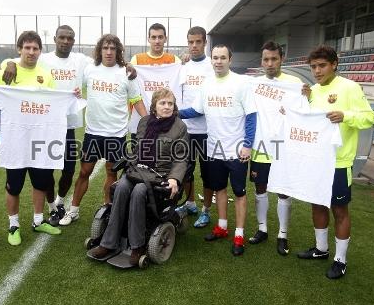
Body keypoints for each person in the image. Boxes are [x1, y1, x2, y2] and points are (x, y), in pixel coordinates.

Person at [1, 26, 136, 226]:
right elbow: (22, 60)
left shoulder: (83, 62)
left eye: (69, 38)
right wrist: (10, 62)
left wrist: (129, 65)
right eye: (62, 37)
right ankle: (51, 206)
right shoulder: (44, 58)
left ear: (73, 41)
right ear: (55, 38)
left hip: (70, 124)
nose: (65, 41)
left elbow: (110, 61)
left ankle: (62, 202)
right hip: (44, 124)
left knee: (69, 170)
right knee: (46, 169)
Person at [299, 45, 374, 279]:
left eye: (322, 65)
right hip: (315, 161)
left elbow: (370, 118)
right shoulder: (311, 90)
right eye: (313, 67)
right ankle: (321, 249)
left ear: (334, 64)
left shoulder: (349, 87)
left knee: (339, 209)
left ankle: (340, 259)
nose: (317, 70)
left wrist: (346, 115)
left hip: (339, 162)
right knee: (317, 204)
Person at [89, 89, 188, 265]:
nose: (166, 107)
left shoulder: (179, 127)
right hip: (138, 170)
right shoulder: (144, 122)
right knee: (121, 186)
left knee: (139, 191)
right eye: (162, 103)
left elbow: (181, 157)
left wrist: (174, 179)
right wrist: (127, 166)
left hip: (160, 175)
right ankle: (108, 243)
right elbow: (137, 150)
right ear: (154, 106)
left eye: (170, 104)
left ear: (174, 107)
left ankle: (137, 246)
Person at [180, 44, 257, 256]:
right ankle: (222, 227)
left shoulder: (241, 83)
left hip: (237, 150)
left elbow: (251, 116)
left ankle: (239, 235)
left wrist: (248, 144)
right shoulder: (207, 84)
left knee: (240, 193)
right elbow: (196, 110)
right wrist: (173, 113)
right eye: (215, 57)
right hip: (214, 148)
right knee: (219, 189)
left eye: (223, 57)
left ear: (230, 60)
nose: (219, 61)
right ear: (211, 59)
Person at [0, 31, 61, 246]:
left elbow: (53, 106)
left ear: (40, 51)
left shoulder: (46, 76)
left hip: (40, 139)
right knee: (14, 185)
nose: (31, 52)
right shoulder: (6, 71)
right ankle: (14, 225)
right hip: (15, 139)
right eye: (27, 47)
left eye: (35, 48)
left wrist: (72, 97)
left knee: (41, 182)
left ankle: (38, 221)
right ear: (19, 48)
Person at [66, 34, 147, 225]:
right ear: (99, 50)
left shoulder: (126, 73)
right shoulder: (90, 70)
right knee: (84, 172)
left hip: (116, 135)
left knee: (112, 173)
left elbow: (136, 99)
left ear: (118, 51)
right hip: (93, 133)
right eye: (105, 48)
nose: (109, 52)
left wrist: (149, 121)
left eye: (113, 48)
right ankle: (73, 210)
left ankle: (108, 208)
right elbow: (75, 88)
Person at [248, 41, 305, 256]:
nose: (270, 63)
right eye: (266, 59)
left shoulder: (294, 83)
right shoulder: (254, 83)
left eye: (274, 59)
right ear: (261, 61)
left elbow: (302, 111)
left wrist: (305, 96)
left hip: (284, 146)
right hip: (260, 144)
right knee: (260, 188)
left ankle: (283, 234)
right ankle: (262, 229)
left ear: (282, 59)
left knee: (283, 190)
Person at [175, 26, 214, 227]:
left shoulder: (213, 66)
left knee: (207, 173)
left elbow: (206, 105)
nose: (194, 46)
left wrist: (177, 113)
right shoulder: (184, 67)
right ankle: (190, 203)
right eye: (191, 42)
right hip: (186, 130)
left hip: (208, 131)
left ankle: (206, 211)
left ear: (205, 43)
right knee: (185, 171)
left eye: (198, 42)